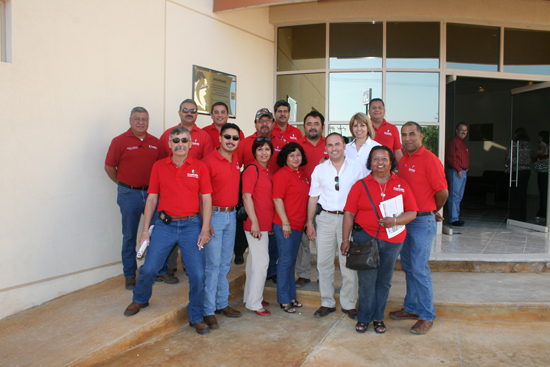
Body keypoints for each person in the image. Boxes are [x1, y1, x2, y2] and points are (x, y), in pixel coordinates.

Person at [123, 126, 213, 336]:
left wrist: (205, 228)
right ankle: (140, 299)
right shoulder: (159, 166)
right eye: (176, 140)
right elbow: (152, 198)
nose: (180, 144)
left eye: (184, 140)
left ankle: (196, 317)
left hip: (192, 226)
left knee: (198, 274)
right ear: (169, 144)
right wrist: (145, 231)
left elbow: (207, 199)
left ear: (190, 144)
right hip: (165, 226)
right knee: (149, 268)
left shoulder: (200, 167)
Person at [342, 146, 418, 334]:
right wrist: (345, 239)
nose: (380, 162)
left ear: (391, 162)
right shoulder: (360, 185)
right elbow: (349, 214)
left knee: (384, 281)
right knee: (367, 281)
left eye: (384, 158)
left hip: (393, 240)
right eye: (375, 159)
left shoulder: (402, 184)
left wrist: (395, 221)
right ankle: (364, 317)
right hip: (365, 239)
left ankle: (378, 317)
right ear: (370, 163)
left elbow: (412, 212)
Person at [104, 107, 177, 290]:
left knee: (157, 233)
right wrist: (123, 184)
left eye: (144, 119)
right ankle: (130, 274)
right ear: (130, 121)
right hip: (130, 195)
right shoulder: (119, 141)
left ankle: (158, 270)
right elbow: (109, 168)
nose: (141, 122)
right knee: (129, 235)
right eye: (137, 119)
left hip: (153, 194)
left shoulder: (155, 142)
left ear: (148, 121)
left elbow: (163, 166)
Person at [391, 121, 448, 335]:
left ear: (421, 136)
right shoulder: (403, 160)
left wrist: (432, 209)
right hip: (407, 220)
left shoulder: (430, 160)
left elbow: (442, 192)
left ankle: (426, 315)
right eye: (404, 135)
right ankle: (411, 307)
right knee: (409, 267)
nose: (407, 138)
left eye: (412, 134)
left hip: (422, 222)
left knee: (419, 269)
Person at [307, 133, 368, 320]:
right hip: (325, 218)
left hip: (349, 220)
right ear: (326, 148)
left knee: (348, 264)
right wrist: (309, 222)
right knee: (323, 262)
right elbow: (313, 198)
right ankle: (327, 302)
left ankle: (349, 304)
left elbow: (366, 193)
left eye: (337, 144)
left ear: (344, 146)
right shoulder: (319, 170)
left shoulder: (358, 168)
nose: (334, 148)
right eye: (330, 145)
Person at [235, 108, 285, 281]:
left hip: (273, 203)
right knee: (259, 256)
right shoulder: (244, 143)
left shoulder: (280, 143)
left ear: (273, 123)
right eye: (261, 121)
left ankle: (268, 277)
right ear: (255, 123)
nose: (264, 124)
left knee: (267, 250)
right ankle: (256, 296)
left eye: (268, 120)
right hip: (253, 204)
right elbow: (236, 170)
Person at [201, 123, 243, 330]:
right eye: (227, 136)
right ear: (220, 137)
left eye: (235, 138)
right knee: (212, 265)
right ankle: (208, 310)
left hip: (231, 215)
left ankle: (222, 303)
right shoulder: (208, 162)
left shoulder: (236, 160)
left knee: (225, 264)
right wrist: (205, 222)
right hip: (214, 217)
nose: (231, 141)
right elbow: (201, 196)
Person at [272, 142, 310, 313]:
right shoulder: (282, 175)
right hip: (285, 225)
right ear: (285, 158)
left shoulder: (300, 175)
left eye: (298, 155)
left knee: (291, 262)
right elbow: (277, 199)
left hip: (298, 225)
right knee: (285, 263)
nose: (296, 158)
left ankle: (291, 297)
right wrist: (285, 223)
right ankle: (284, 299)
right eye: (291, 155)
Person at [242, 137, 275, 316]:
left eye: (267, 150)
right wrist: (254, 222)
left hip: (263, 224)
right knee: (262, 263)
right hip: (254, 224)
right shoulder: (252, 169)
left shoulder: (267, 170)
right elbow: (247, 197)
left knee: (254, 263)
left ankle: (250, 297)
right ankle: (255, 303)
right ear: (254, 152)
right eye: (260, 149)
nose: (264, 153)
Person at [295, 111, 328, 288]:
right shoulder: (297, 145)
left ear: (322, 127)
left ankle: (322, 275)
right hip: (302, 199)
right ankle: (303, 273)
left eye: (316, 123)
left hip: (325, 202)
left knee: (323, 241)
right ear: (304, 126)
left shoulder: (330, 144)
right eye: (309, 123)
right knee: (303, 241)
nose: (313, 127)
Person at [505, 127, 532, 222]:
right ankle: (522, 216)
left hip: (517, 171)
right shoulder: (528, 144)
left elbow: (509, 157)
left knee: (515, 194)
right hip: (526, 171)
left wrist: (507, 167)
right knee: (523, 194)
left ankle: (515, 216)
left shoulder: (515, 144)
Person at [445, 122, 469, 226]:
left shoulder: (462, 143)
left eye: (465, 130)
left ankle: (456, 217)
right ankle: (453, 219)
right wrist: (459, 169)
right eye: (462, 130)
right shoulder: (453, 142)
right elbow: (450, 157)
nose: (464, 132)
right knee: (454, 196)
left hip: (462, 171)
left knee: (459, 197)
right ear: (457, 131)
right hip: (456, 171)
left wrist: (466, 168)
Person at [534, 131, 549, 220]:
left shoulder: (543, 144)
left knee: (543, 193)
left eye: (539, 136)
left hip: (543, 172)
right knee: (545, 193)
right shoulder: (548, 144)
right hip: (547, 172)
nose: (538, 138)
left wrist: (532, 152)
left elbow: (542, 151)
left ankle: (543, 213)